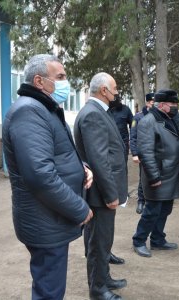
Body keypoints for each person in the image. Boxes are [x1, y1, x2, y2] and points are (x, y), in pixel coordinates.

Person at [2, 54, 93, 299]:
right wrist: (80, 209)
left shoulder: (44, 107)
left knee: (50, 288)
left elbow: (54, 154)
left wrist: (80, 167)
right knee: (49, 292)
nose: (66, 82)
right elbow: (40, 175)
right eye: (61, 77)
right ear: (40, 81)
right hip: (44, 221)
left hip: (49, 218)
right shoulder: (30, 112)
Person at [74, 72, 128, 300]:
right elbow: (99, 159)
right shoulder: (92, 114)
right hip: (100, 193)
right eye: (114, 89)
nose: (116, 93)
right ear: (104, 90)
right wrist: (110, 193)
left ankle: (104, 279)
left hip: (102, 192)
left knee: (103, 239)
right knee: (98, 242)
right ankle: (98, 290)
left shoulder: (97, 111)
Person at [132, 89, 179, 258]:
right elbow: (146, 152)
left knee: (165, 209)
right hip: (158, 175)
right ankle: (139, 241)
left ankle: (157, 239)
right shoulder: (148, 121)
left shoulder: (166, 119)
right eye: (173, 104)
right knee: (152, 211)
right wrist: (154, 177)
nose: (175, 107)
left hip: (170, 173)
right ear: (161, 105)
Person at [130, 93, 155, 214]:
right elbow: (133, 136)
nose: (152, 103)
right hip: (144, 153)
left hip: (156, 152)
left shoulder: (159, 116)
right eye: (150, 101)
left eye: (154, 101)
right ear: (146, 102)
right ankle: (141, 201)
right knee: (143, 178)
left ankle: (153, 200)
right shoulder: (138, 117)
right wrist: (134, 153)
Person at [110, 99, 134, 164]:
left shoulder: (126, 109)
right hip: (110, 143)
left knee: (123, 163)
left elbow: (133, 124)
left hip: (124, 142)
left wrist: (131, 138)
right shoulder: (107, 109)